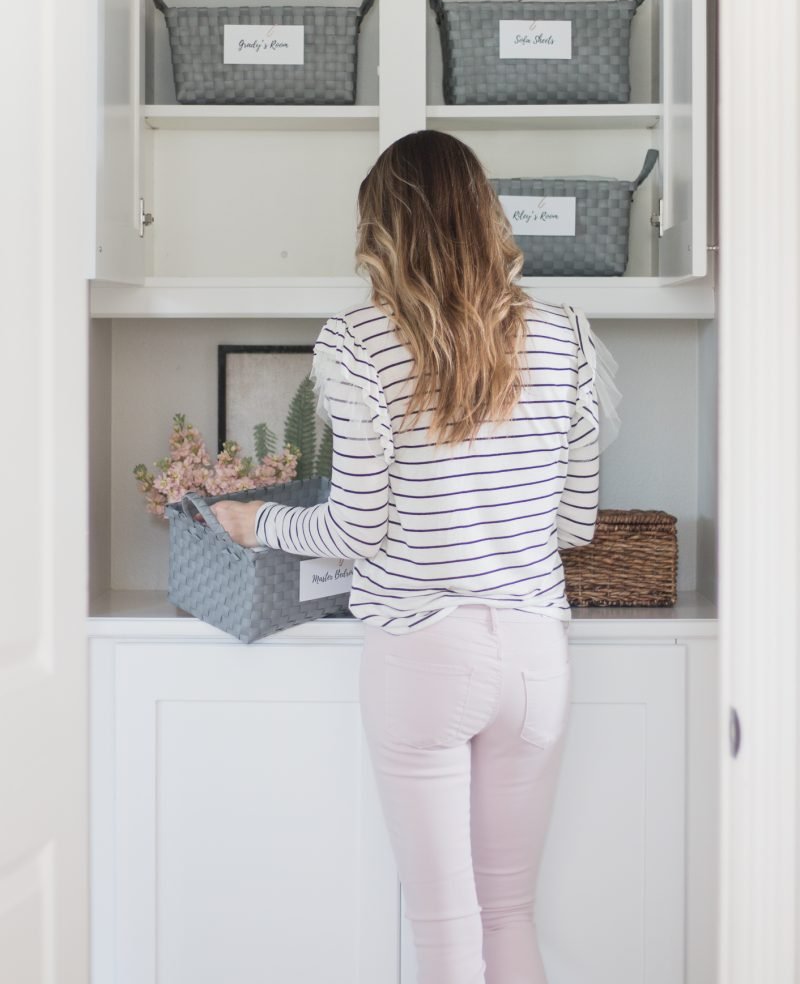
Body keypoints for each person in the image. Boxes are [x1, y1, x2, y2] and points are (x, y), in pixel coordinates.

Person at [215, 128, 621, 984]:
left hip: (424, 653)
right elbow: (577, 521)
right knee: (511, 916)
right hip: (536, 657)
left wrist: (260, 525)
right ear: (487, 216)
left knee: (445, 930)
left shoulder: (362, 343)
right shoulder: (565, 338)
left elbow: (354, 530)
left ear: (383, 232)